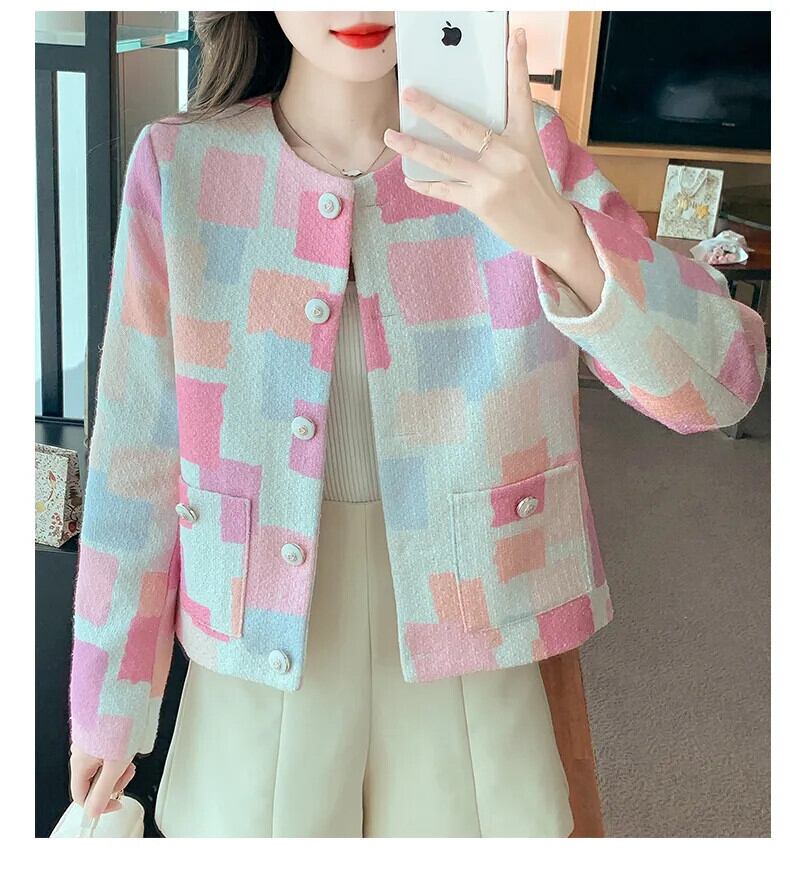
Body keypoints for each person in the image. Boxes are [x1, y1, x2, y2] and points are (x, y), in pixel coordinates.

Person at [67, 11, 767, 837]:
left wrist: (558, 234)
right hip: (259, 636)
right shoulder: (181, 165)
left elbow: (724, 381)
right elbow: (138, 450)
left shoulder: (520, 150)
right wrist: (109, 700)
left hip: (474, 631)